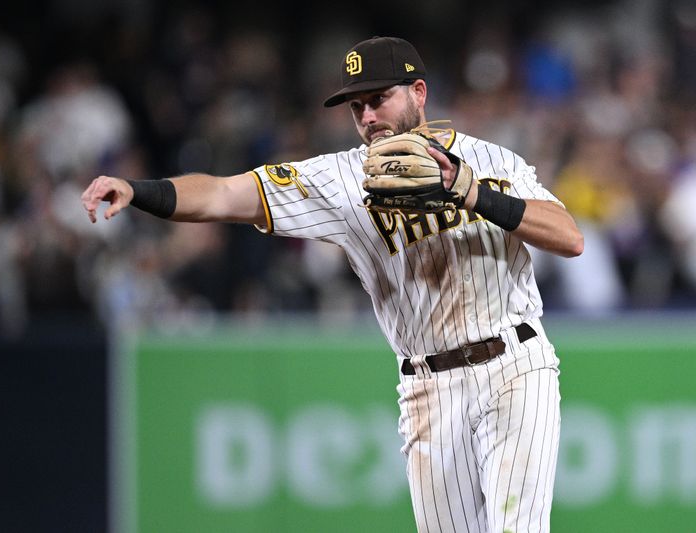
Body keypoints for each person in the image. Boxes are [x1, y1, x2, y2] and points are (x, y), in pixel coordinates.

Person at [81, 36, 583, 533]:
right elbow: (223, 195)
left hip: (513, 366)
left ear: (419, 93)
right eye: (357, 105)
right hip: (428, 387)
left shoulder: (491, 162)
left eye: (379, 98)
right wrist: (137, 190)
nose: (367, 116)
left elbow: (568, 237)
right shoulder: (340, 180)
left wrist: (471, 193)